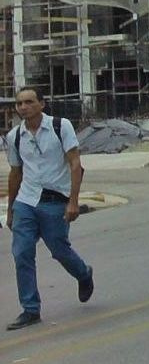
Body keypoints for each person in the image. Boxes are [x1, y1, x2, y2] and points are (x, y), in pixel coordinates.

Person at [4, 88, 94, 331]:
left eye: (29, 102)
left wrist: (73, 201)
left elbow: (76, 164)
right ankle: (30, 309)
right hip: (26, 201)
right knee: (21, 252)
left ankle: (84, 274)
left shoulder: (60, 126)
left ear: (41, 104)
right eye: (20, 103)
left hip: (55, 200)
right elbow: (15, 173)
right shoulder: (14, 136)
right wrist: (11, 209)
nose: (24, 107)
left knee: (59, 250)